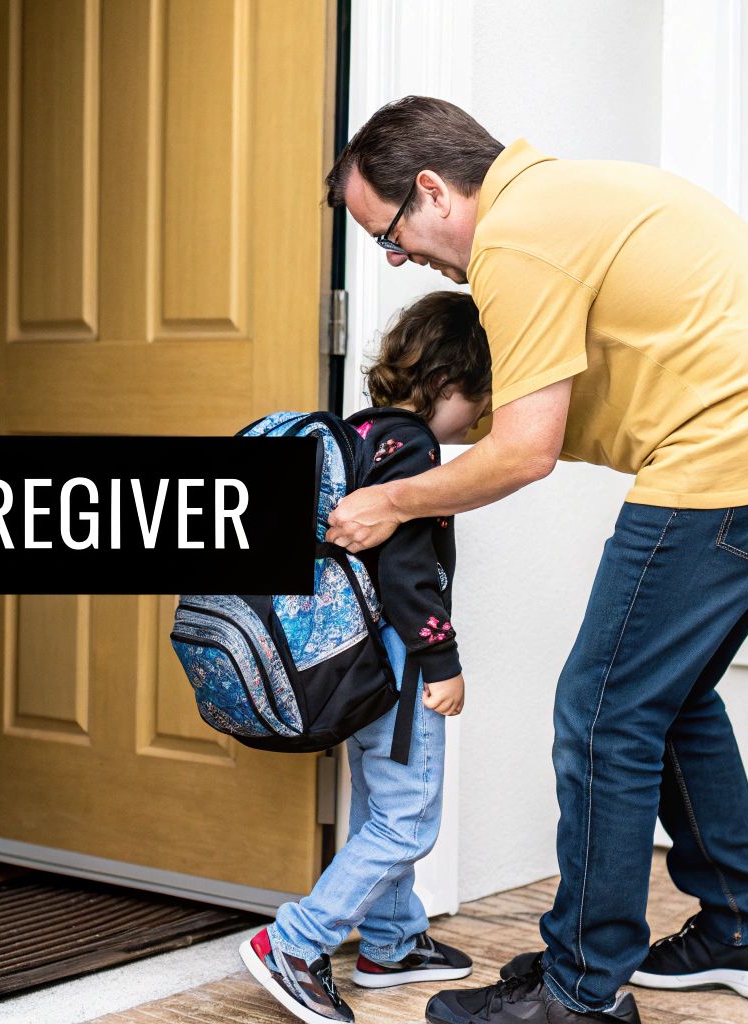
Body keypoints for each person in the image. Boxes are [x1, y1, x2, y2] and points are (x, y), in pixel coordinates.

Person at [322, 96, 748, 1024]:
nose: (397, 257)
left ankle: (578, 994)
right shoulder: (568, 199)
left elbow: (525, 451)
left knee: (601, 712)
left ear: (431, 191)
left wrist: (389, 500)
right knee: (666, 699)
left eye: (389, 233)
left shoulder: (518, 240)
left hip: (733, 459)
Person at [240, 290, 495, 1024]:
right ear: (449, 385)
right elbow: (408, 573)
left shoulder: (357, 433)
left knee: (383, 806)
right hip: (398, 660)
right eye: (476, 403)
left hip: (351, 657)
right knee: (409, 817)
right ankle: (294, 943)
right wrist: (442, 663)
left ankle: (390, 940)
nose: (476, 421)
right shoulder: (413, 449)